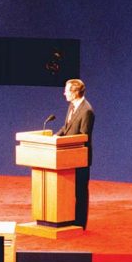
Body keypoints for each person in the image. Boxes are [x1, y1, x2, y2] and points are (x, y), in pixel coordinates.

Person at [55, 79, 94, 229]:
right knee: (70, 191)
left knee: (80, 192)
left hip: (80, 158)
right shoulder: (72, 106)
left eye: (66, 90)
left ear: (75, 92)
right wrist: (56, 137)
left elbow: (84, 137)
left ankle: (80, 223)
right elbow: (66, 127)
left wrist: (66, 144)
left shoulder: (87, 111)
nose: (64, 93)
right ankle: (70, 220)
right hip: (68, 157)